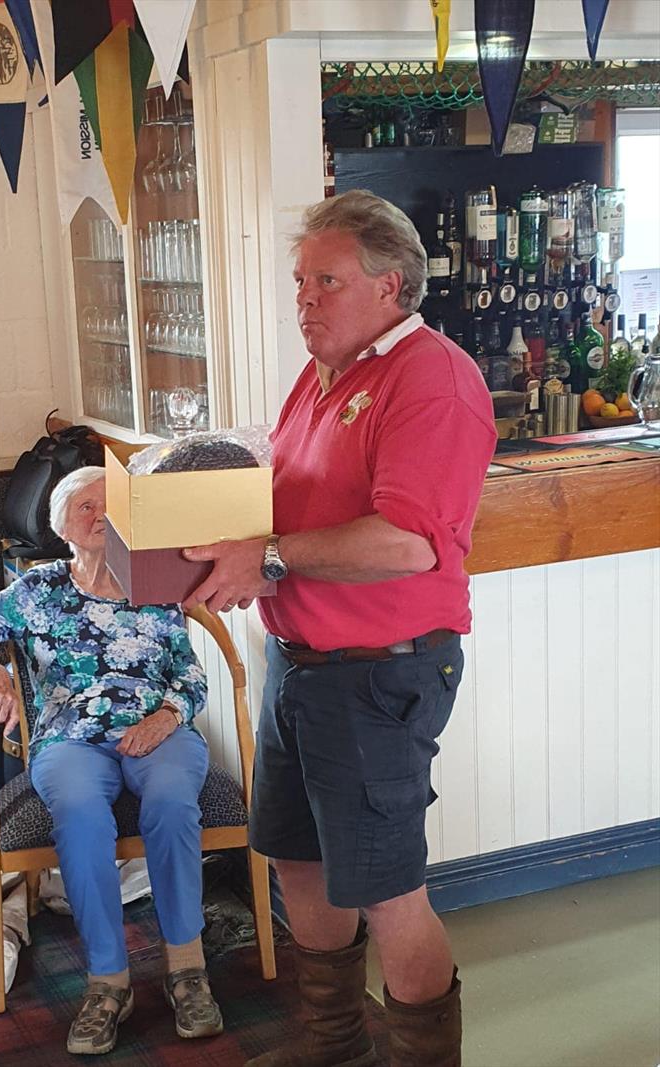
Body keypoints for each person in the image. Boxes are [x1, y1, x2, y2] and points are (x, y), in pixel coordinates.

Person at [182, 189, 497, 1066]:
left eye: (327, 280)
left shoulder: (430, 378)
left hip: (376, 673)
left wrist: (269, 556)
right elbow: (292, 486)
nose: (304, 300)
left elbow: (406, 545)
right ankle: (335, 1048)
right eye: (299, 281)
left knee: (390, 889)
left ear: (392, 285)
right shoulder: (329, 373)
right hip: (300, 664)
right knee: (297, 861)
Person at [0, 466, 223, 1056]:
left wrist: (165, 717)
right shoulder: (39, 590)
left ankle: (187, 970)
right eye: (83, 506)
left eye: (107, 504)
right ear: (59, 525)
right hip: (69, 739)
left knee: (172, 803)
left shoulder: (153, 581)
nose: (97, 515)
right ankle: (107, 982)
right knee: (80, 814)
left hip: (158, 730)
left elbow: (190, 673)